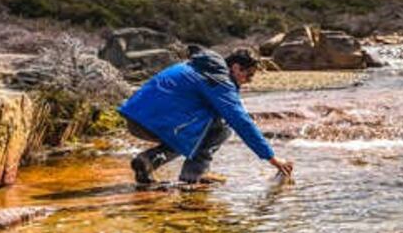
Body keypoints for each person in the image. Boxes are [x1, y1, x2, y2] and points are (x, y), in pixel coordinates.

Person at [118, 45, 294, 185]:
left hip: (134, 117)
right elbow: (241, 122)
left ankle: (147, 163)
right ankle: (190, 176)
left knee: (204, 120)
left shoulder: (197, 66)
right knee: (222, 127)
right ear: (236, 67)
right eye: (249, 75)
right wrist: (272, 158)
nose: (249, 81)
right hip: (154, 124)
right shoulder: (220, 80)